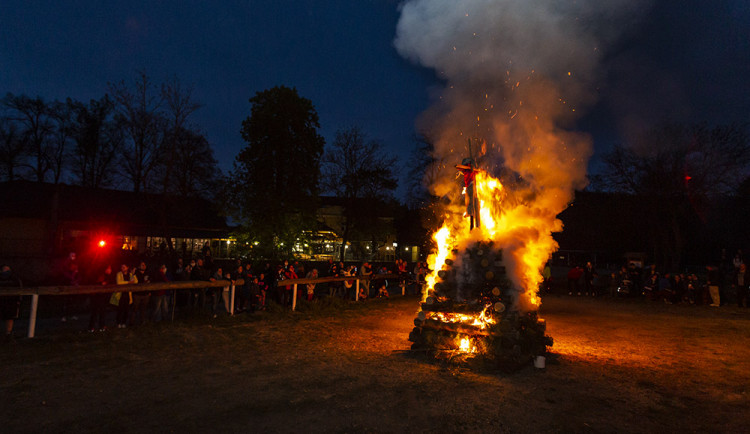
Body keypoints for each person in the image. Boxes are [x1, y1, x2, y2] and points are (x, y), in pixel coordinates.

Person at [0, 264, 22, 340]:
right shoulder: (14, 278)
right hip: (4, 301)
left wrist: (18, 300)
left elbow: (19, 289)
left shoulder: (14, 278)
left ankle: (8, 334)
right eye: (4, 270)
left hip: (11, 302)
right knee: (8, 317)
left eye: (8, 270)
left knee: (9, 317)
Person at [89, 265, 113, 332]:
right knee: (96, 312)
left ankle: (101, 326)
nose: (110, 270)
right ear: (105, 269)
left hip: (103, 297)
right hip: (98, 297)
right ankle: (91, 327)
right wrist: (101, 283)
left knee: (102, 312)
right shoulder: (102, 275)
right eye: (109, 269)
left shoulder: (108, 276)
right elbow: (98, 283)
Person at [114, 264, 137, 328]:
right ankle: (118, 323)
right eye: (122, 267)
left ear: (127, 267)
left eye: (124, 267)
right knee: (120, 310)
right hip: (121, 295)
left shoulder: (130, 274)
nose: (123, 268)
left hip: (127, 295)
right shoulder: (119, 274)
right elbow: (119, 282)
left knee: (126, 310)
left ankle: (124, 322)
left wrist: (133, 274)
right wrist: (128, 282)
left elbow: (135, 281)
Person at [130, 261, 151, 325]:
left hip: (145, 294)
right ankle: (132, 322)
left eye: (144, 265)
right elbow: (132, 281)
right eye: (142, 265)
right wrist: (132, 274)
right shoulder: (136, 273)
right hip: (137, 294)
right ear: (139, 266)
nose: (144, 266)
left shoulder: (148, 273)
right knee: (135, 309)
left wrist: (149, 291)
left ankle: (142, 321)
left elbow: (150, 282)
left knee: (143, 309)